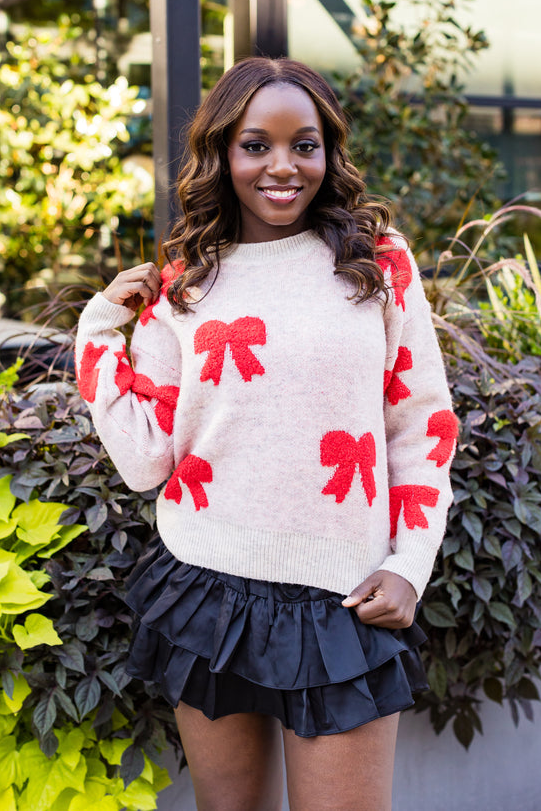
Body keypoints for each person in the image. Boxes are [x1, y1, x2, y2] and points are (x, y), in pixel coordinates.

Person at [75, 57, 457, 811]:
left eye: (303, 145)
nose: (282, 166)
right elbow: (149, 458)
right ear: (221, 153)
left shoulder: (380, 267)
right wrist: (96, 329)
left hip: (342, 599)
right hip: (205, 585)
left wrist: (411, 562)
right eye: (256, 145)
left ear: (328, 153)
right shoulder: (186, 282)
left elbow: (421, 423)